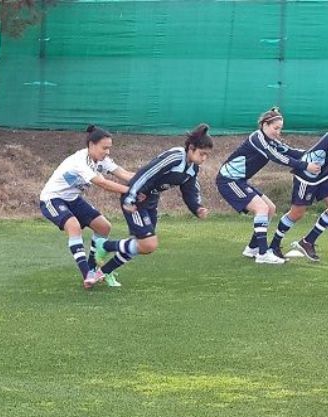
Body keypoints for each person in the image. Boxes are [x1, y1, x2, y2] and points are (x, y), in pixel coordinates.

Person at [94, 124, 212, 284]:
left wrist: (197, 208)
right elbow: (145, 174)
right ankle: (105, 248)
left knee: (144, 246)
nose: (204, 158)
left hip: (150, 201)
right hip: (136, 199)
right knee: (147, 243)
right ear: (191, 148)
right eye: (201, 154)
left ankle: (104, 270)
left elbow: (189, 191)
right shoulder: (175, 157)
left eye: (207, 155)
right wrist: (130, 197)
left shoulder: (192, 168)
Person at [215, 107, 320, 264]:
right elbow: (277, 157)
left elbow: (291, 152)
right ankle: (263, 254)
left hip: (239, 180)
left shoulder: (271, 141)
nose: (278, 132)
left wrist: (316, 153)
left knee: (270, 208)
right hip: (228, 180)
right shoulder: (257, 138)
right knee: (262, 209)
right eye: (275, 128)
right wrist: (305, 166)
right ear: (265, 124)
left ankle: (252, 249)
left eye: (280, 129)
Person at [39, 125, 134, 288]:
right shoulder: (79, 161)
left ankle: (92, 268)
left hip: (72, 199)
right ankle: (87, 275)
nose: (107, 152)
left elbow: (124, 174)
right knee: (74, 226)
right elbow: (102, 183)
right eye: (104, 148)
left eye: (109, 148)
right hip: (52, 199)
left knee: (103, 227)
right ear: (91, 145)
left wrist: (148, 180)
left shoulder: (102, 161)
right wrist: (131, 191)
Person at [269, 133, 328, 261]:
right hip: (308, 175)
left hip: (323, 174)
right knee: (297, 214)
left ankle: (308, 242)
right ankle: (274, 245)